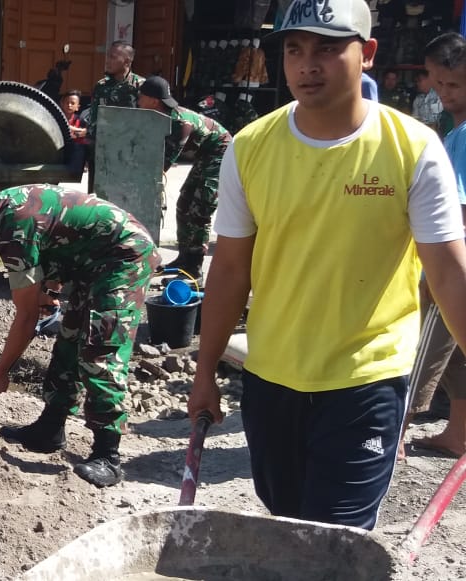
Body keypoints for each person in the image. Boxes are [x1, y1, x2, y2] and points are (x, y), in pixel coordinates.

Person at [188, 0, 466, 531]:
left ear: (369, 54)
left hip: (367, 379)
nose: (307, 65)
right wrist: (205, 372)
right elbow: (228, 270)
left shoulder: (413, 149)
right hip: (272, 377)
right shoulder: (250, 147)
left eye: (328, 49)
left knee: (335, 539)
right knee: (287, 522)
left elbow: (449, 273)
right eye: (295, 50)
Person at [0, 176, 160, 488]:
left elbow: (26, 315)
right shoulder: (10, 207)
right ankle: (50, 429)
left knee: (100, 350)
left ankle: (107, 455)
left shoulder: (14, 227)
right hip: (92, 262)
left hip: (123, 258)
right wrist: (51, 287)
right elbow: (58, 235)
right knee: (69, 340)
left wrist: (0, 371)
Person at [401, 32, 466, 459]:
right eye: (437, 82)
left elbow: (453, 213)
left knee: (419, 353)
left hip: (452, 267)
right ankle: (457, 433)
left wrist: (430, 272)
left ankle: (390, 435)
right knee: (459, 352)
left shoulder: (461, 138)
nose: (444, 93)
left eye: (454, 85)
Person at [138, 75, 231, 280]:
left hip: (221, 153)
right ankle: (184, 258)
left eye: (141, 96)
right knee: (184, 203)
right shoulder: (159, 116)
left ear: (153, 100)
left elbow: (165, 162)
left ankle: (195, 268)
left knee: (200, 208)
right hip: (204, 155)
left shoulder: (180, 122)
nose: (138, 99)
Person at [88, 42, 143, 193]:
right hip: (102, 151)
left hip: (129, 154)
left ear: (127, 61)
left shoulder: (140, 86)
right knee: (98, 195)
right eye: (108, 56)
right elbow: (94, 118)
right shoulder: (101, 86)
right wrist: (91, 145)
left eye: (113, 57)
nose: (107, 60)